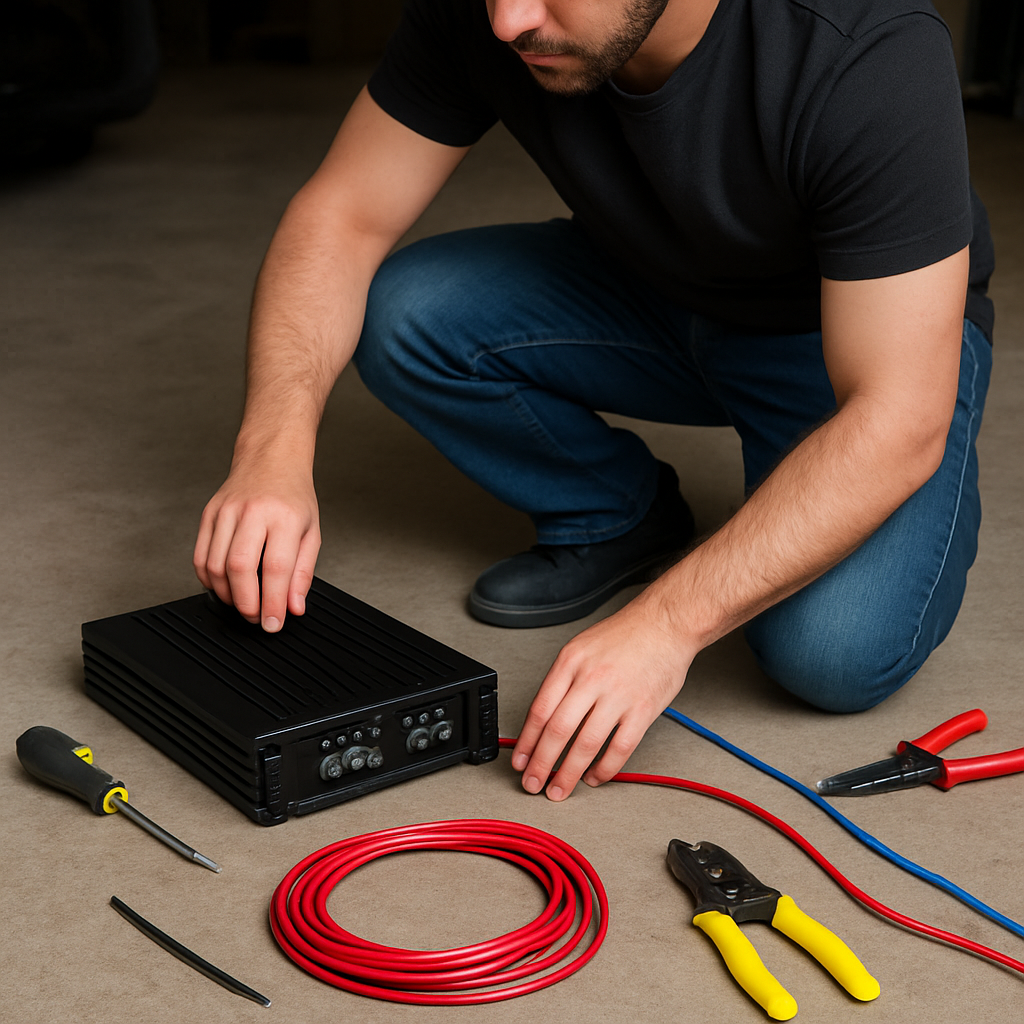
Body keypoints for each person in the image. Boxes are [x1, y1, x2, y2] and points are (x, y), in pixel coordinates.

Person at [193, 0, 994, 804]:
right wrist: (273, 451)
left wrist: (665, 626)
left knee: (832, 654)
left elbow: (896, 415)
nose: (508, 22)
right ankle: (620, 514)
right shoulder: (491, 10)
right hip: (649, 290)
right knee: (407, 313)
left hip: (838, 346)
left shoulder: (866, 46)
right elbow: (343, 215)